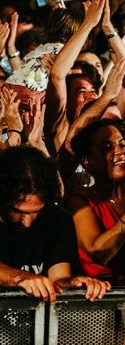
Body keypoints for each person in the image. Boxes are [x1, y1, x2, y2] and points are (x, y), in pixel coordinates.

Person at [0, 146, 110, 302]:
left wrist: (75, 283)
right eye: (17, 211)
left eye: (35, 212)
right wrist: (21, 278)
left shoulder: (58, 219)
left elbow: (58, 277)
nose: (26, 222)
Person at [66, 120, 125, 283]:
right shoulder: (79, 202)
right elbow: (97, 253)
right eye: (107, 147)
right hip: (103, 292)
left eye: (122, 145)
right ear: (88, 162)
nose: (119, 151)